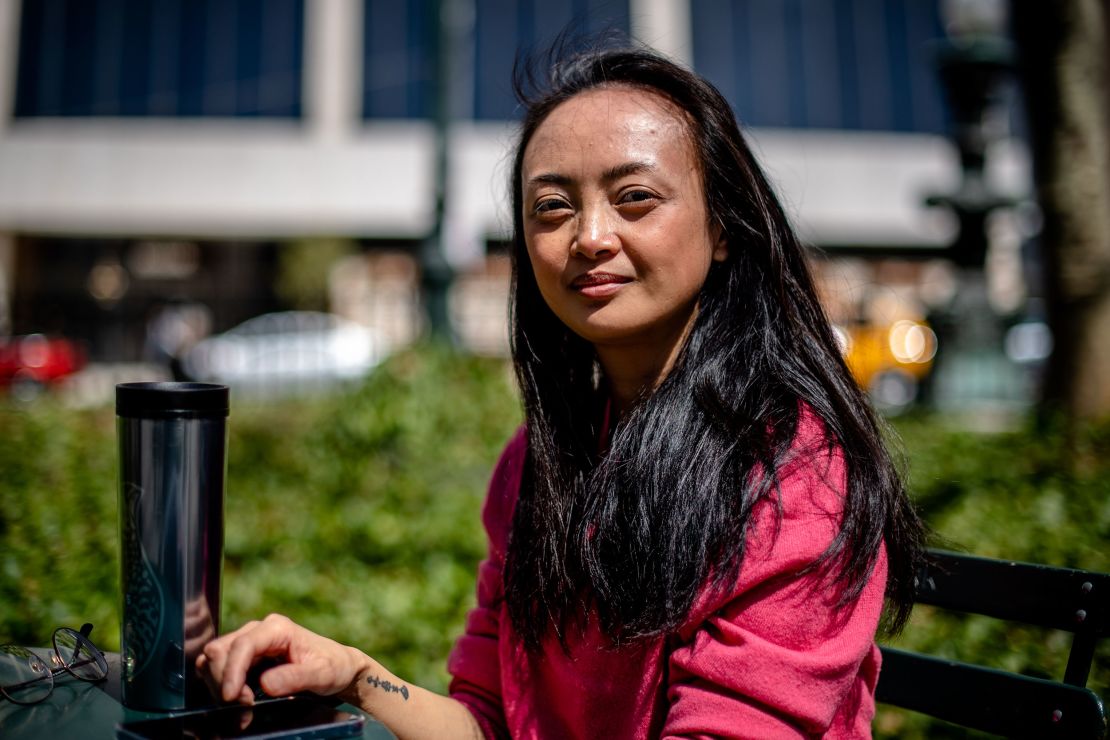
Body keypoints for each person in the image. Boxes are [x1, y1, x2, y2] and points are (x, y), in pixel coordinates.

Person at [198, 44, 925, 739]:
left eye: (634, 197)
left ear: (725, 226)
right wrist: (355, 677)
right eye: (552, 207)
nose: (590, 237)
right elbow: (487, 723)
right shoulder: (536, 463)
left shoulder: (791, 472)